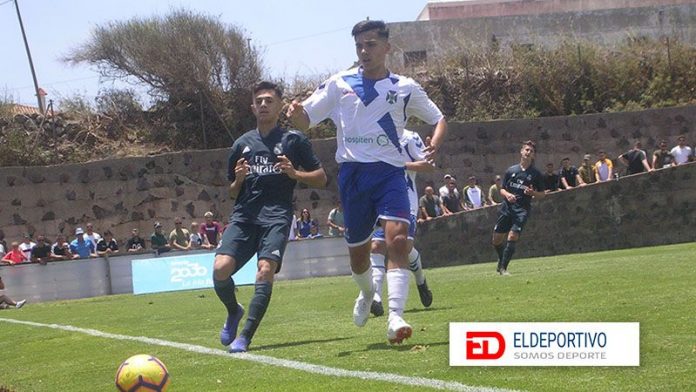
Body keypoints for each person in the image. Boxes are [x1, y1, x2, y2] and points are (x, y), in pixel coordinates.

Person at [287, 19, 447, 344]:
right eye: (360, 45)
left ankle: (396, 316)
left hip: (391, 173)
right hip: (354, 176)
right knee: (359, 255)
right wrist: (295, 116)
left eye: (371, 44)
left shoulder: (404, 87)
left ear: (387, 48)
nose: (364, 51)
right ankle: (365, 293)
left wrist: (435, 142)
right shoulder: (338, 83)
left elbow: (438, 117)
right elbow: (306, 120)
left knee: (398, 240)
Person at [213, 80, 326, 353]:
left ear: (279, 106)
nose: (264, 104)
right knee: (219, 270)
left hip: (276, 217)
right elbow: (230, 192)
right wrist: (238, 180)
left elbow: (321, 179)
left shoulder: (294, 140)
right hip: (244, 217)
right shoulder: (241, 144)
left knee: (265, 270)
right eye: (259, 101)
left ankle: (245, 337)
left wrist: (295, 174)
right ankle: (233, 311)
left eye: (269, 100)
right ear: (253, 107)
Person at [368, 129, 434, 318]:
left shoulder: (410, 137)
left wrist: (400, 165)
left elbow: (429, 165)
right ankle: (377, 298)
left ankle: (421, 280)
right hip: (382, 202)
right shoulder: (371, 134)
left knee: (403, 248)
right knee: (376, 246)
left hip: (406, 201)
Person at [492, 141, 546, 275]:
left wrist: (533, 193)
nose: (528, 152)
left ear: (533, 156)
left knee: (512, 236)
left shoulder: (536, 174)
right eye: (527, 150)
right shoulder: (511, 170)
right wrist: (508, 195)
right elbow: (502, 190)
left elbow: (542, 194)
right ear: (521, 152)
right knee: (496, 240)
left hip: (522, 210)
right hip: (507, 208)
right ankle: (502, 259)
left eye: (531, 151)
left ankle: (503, 268)